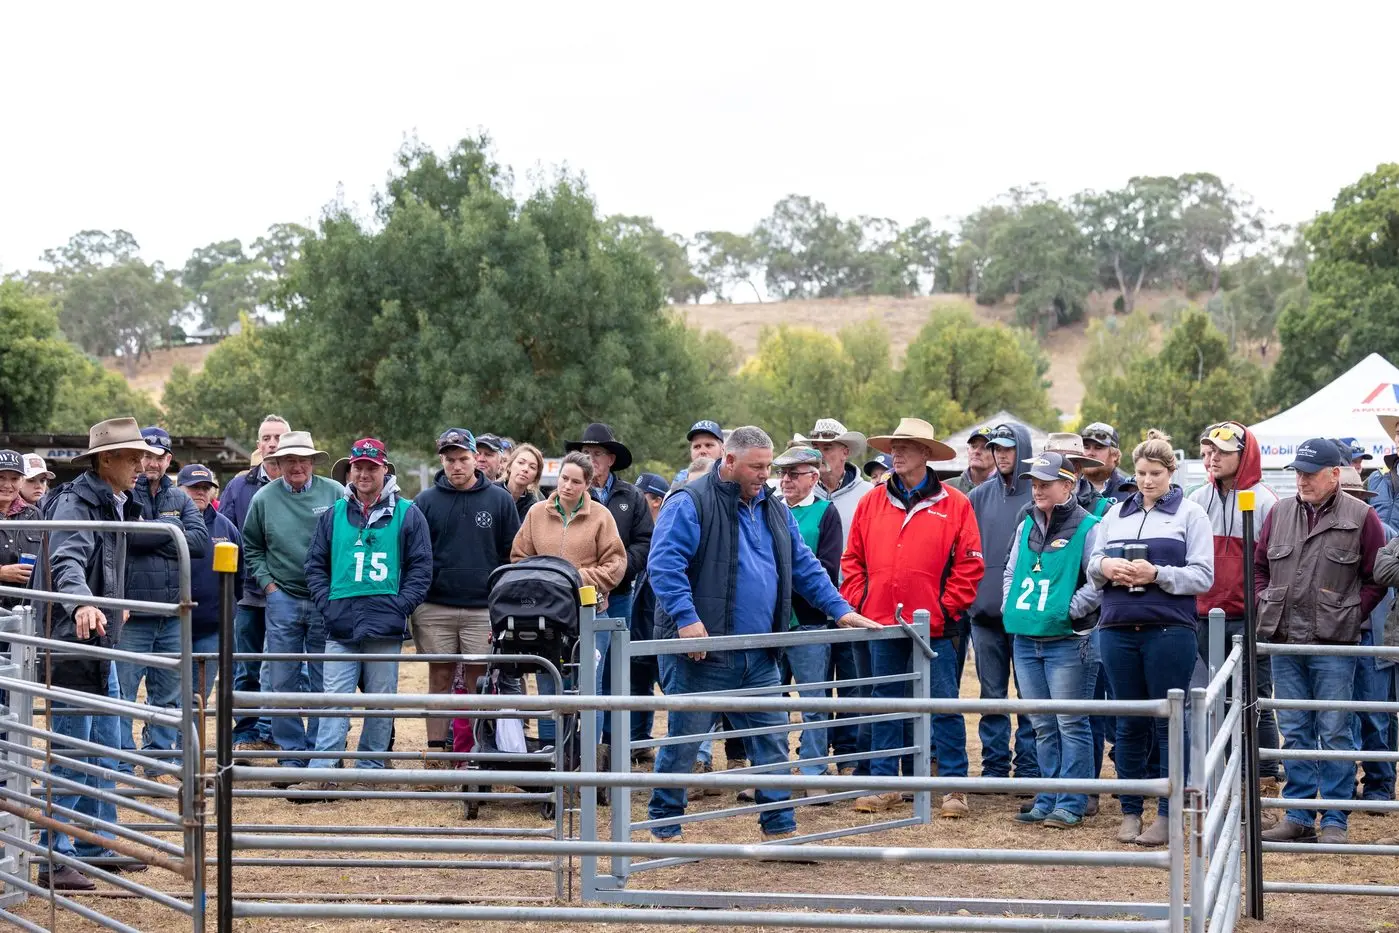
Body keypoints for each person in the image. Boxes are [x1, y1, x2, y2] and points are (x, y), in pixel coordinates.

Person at [646, 426, 877, 842]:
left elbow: (804, 565)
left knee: (771, 739)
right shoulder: (690, 501)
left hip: (760, 653)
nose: (765, 474)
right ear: (729, 462)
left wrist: (840, 610)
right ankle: (664, 825)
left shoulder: (773, 507)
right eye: (757, 466)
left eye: (768, 466)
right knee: (684, 740)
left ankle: (780, 828)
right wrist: (686, 616)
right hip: (705, 653)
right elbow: (664, 563)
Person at [35, 418, 162, 890]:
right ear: (105, 460)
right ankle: (54, 854)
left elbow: (104, 564)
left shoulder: (111, 501)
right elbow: (66, 560)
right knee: (73, 750)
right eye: (132, 457)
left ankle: (95, 843)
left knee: (105, 746)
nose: (141, 464)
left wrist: (113, 602)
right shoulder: (76, 502)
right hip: (73, 639)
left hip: (98, 637)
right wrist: (84, 601)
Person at [842, 418, 982, 816]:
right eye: (894, 446)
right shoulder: (871, 500)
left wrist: (942, 609)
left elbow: (970, 564)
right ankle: (887, 784)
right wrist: (861, 601)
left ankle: (954, 788)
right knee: (885, 703)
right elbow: (852, 560)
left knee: (943, 704)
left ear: (926, 453)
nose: (896, 453)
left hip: (934, 627)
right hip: (881, 623)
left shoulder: (955, 503)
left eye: (905, 446)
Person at [1256, 438, 1385, 846]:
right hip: (1285, 640)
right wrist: (1266, 601)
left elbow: (1377, 577)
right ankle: (1297, 814)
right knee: (1294, 727)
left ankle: (1334, 817)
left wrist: (1349, 615)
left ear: (1335, 475)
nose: (1302, 480)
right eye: (1298, 472)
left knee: (1334, 729)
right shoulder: (1278, 512)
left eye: (1310, 473)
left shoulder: (1362, 516)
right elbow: (1259, 568)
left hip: (1334, 643)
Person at [1089, 430, 1214, 847]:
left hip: (1169, 630)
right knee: (1128, 723)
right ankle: (1130, 810)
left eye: (1155, 473)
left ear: (1170, 472)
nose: (1146, 481)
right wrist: (1108, 567)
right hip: (1117, 628)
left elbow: (1203, 574)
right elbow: (1092, 562)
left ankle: (1167, 813)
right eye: (1141, 473)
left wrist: (1156, 574)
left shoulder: (1191, 514)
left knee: (1168, 723)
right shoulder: (1114, 514)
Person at [299, 439, 432, 793]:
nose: (363, 473)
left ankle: (370, 769)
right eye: (358, 467)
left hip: (385, 624)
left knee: (380, 700)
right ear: (349, 471)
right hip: (340, 622)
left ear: (384, 469)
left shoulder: (408, 513)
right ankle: (322, 773)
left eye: (371, 467)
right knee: (334, 700)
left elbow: (421, 566)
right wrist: (327, 603)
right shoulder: (333, 515)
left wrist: (401, 604)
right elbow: (314, 565)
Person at [1001, 453, 1101, 829]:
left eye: (1046, 482)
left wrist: (1069, 609)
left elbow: (1099, 580)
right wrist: (1013, 606)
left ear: (1068, 485)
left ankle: (1072, 801)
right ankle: (1047, 796)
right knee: (1042, 723)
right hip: (1027, 639)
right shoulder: (1027, 523)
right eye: (1034, 482)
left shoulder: (1090, 527)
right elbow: (1011, 570)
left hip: (1067, 640)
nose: (1037, 488)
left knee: (1070, 722)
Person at [410, 428, 520, 766]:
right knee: (439, 677)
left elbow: (510, 554)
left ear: (476, 459)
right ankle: (436, 754)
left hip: (481, 608)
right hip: (434, 605)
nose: (456, 466)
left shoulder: (499, 500)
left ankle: (476, 752)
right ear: (441, 461)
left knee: (479, 680)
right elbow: (415, 554)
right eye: (449, 460)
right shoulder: (425, 502)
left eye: (462, 459)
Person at [1188, 421, 1283, 804]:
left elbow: (1275, 568)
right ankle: (1224, 781)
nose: (1212, 458)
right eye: (1209, 451)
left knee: (1254, 701)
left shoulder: (1266, 502)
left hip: (1249, 619)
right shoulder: (1196, 499)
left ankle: (1262, 783)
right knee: (1213, 699)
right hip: (1204, 616)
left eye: (1223, 452)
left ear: (1244, 456)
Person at [241, 430, 345, 775]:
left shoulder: (336, 493)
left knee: (324, 677)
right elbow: (252, 546)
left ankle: (320, 752)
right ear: (277, 464)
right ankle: (290, 754)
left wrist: (335, 586)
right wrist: (269, 586)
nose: (296, 466)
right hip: (282, 596)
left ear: (313, 461)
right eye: (288, 460)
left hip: (324, 597)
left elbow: (350, 538)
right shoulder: (264, 499)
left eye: (302, 459)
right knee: (282, 678)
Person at [117, 427, 210, 774]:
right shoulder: (125, 493)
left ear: (168, 460)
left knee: (167, 694)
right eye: (145, 455)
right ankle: (124, 759)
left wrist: (151, 531)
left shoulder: (182, 499)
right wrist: (171, 534)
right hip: (133, 612)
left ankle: (157, 759)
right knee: (124, 691)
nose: (151, 462)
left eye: (158, 456)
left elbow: (200, 544)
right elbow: (128, 538)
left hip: (171, 612)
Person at [967, 423, 1039, 786]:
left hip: (1026, 617)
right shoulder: (978, 496)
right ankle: (994, 768)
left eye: (1008, 447)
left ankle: (1028, 768)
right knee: (991, 695)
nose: (1001, 454)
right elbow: (966, 554)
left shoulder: (1039, 494)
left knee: (1028, 698)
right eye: (996, 448)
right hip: (985, 616)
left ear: (1023, 449)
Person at [801, 418, 874, 771]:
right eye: (816, 448)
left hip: (852, 599)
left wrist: (857, 594)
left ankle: (846, 752)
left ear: (845, 452)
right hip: (807, 606)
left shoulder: (868, 494)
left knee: (850, 681)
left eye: (828, 447)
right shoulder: (798, 493)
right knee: (812, 684)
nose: (821, 453)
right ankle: (812, 752)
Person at [220, 415, 290, 755]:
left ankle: (279, 730)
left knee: (287, 666)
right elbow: (228, 536)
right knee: (246, 664)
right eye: (266, 438)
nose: (273, 443)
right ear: (258, 445)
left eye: (279, 437)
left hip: (291, 593)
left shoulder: (306, 484)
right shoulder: (239, 486)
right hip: (249, 593)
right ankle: (246, 732)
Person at [774, 445, 845, 782]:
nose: (786, 479)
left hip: (809, 620)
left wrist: (783, 578)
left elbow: (829, 569)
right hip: (771, 621)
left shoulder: (825, 513)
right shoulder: (767, 508)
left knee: (814, 701)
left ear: (814, 477)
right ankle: (771, 771)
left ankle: (814, 770)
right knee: (770, 702)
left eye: (794, 473)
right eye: (783, 473)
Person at [1340, 466, 1399, 806]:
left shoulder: (1385, 530)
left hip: (1372, 634)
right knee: (1339, 715)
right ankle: (1345, 784)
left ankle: (1379, 783)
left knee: (1376, 713)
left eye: (1355, 496)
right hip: (1340, 634)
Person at [178, 465, 241, 698]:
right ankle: (158, 736)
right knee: (168, 693)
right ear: (179, 491)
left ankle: (192, 736)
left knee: (198, 695)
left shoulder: (226, 527)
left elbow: (241, 574)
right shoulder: (168, 524)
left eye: (205, 487)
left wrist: (227, 610)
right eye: (193, 488)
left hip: (211, 628)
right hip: (172, 626)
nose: (200, 492)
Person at [0, 450, 42, 608]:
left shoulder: (34, 514)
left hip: (26, 611)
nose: (7, 485)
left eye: (14, 478)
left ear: (22, 481)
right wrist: (2, 572)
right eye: (1, 477)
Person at [1079, 423, 1138, 503]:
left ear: (1115, 455)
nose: (1090, 453)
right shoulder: (1068, 487)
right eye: (1086, 447)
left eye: (1098, 448)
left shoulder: (1130, 492)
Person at [501, 442, 545, 522]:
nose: (525, 469)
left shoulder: (535, 505)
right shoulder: (490, 493)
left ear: (536, 477)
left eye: (532, 467)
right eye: (521, 463)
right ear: (510, 466)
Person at [947, 426, 996, 493]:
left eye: (985, 447)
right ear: (968, 450)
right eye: (973, 446)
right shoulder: (947, 488)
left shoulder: (1006, 489)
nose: (976, 451)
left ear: (997, 454)